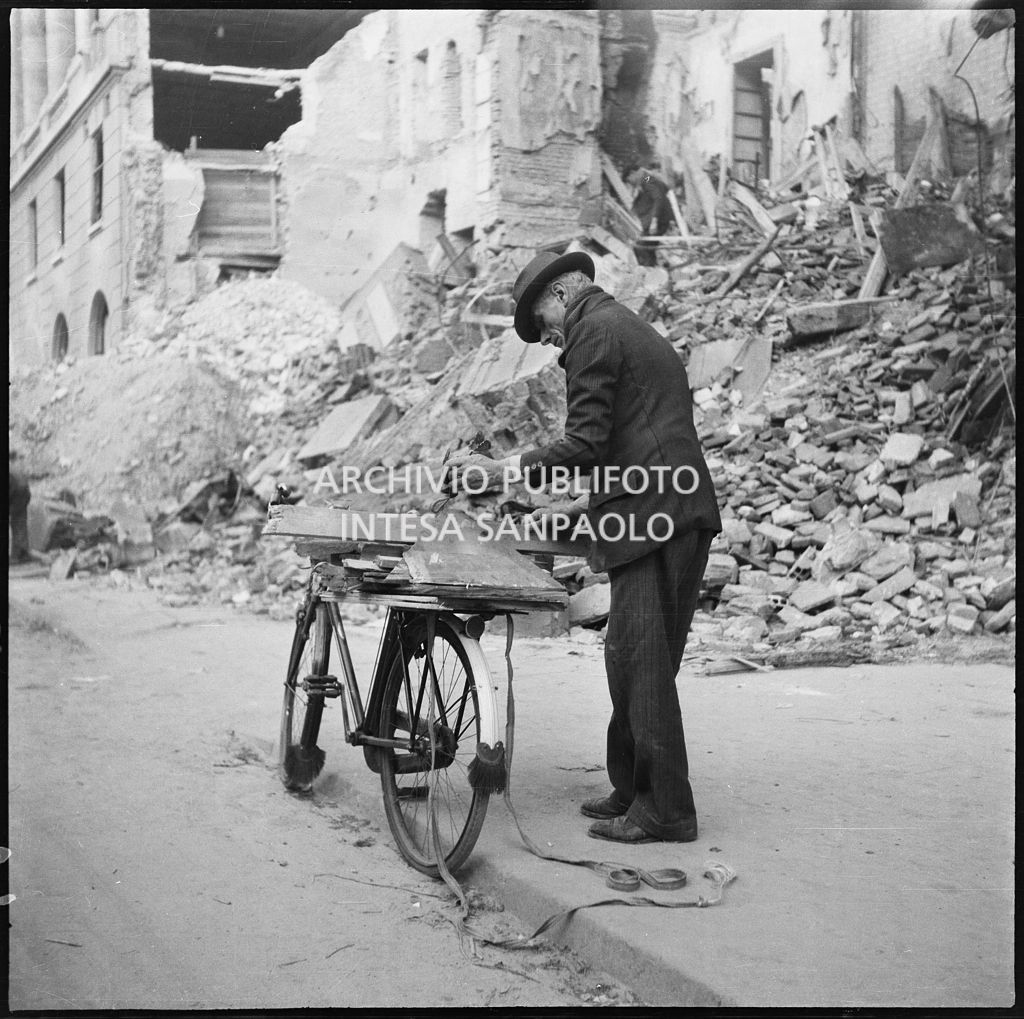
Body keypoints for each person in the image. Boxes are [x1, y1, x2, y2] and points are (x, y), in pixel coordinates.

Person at [446, 250, 722, 844]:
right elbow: (639, 434)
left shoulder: (593, 332)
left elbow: (587, 442)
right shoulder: (623, 325)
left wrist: (502, 470)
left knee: (641, 662)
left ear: (562, 294)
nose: (548, 339)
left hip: (655, 516)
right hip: (665, 506)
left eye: (541, 323)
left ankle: (666, 811)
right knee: (630, 658)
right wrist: (579, 505)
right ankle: (633, 788)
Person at [9, 451, 33, 564]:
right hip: (23, 497)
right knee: (20, 525)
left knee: (16, 525)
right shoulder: (17, 469)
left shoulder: (10, 470)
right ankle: (23, 554)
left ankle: (16, 556)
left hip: (16, 497)